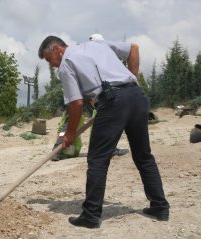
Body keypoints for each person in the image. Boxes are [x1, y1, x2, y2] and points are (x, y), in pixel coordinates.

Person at [38, 35, 169, 228]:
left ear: (58, 49)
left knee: (97, 160)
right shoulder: (96, 44)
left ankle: (91, 216)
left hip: (113, 101)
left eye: (49, 60)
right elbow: (133, 48)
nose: (51, 65)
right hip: (136, 96)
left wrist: (70, 134)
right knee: (143, 156)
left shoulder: (66, 64)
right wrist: (132, 79)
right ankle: (160, 207)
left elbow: (76, 103)